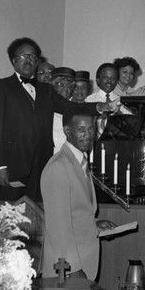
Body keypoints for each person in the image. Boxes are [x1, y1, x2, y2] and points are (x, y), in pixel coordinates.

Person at [0, 37, 104, 202]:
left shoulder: (45, 89)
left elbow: (69, 107)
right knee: (10, 215)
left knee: (38, 213)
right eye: (24, 56)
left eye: (33, 56)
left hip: (42, 165)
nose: (29, 59)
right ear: (13, 60)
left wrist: (98, 107)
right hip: (13, 165)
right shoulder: (1, 86)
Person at [41, 107, 115, 280]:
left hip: (84, 261)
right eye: (81, 130)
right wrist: (73, 270)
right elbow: (58, 228)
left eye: (91, 129)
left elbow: (73, 212)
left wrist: (94, 224)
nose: (88, 135)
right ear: (67, 131)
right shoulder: (58, 167)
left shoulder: (79, 160)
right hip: (68, 270)